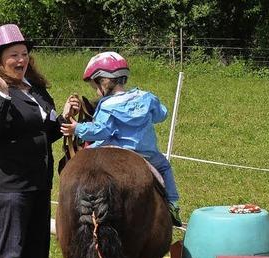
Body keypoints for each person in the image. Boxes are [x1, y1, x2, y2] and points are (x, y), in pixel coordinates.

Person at [0, 24, 78, 258]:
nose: (20, 60)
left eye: (24, 54)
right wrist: (4, 93)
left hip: (39, 183)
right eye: (13, 55)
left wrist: (63, 121)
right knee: (9, 253)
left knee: (34, 250)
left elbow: (46, 132)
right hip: (9, 186)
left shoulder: (38, 90)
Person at [60, 51, 182, 226]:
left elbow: (101, 131)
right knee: (164, 167)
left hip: (116, 149)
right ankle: (172, 204)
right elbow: (162, 115)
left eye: (95, 87)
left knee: (83, 159)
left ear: (104, 81)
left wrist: (77, 128)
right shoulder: (146, 98)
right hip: (147, 153)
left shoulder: (108, 105)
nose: (96, 91)